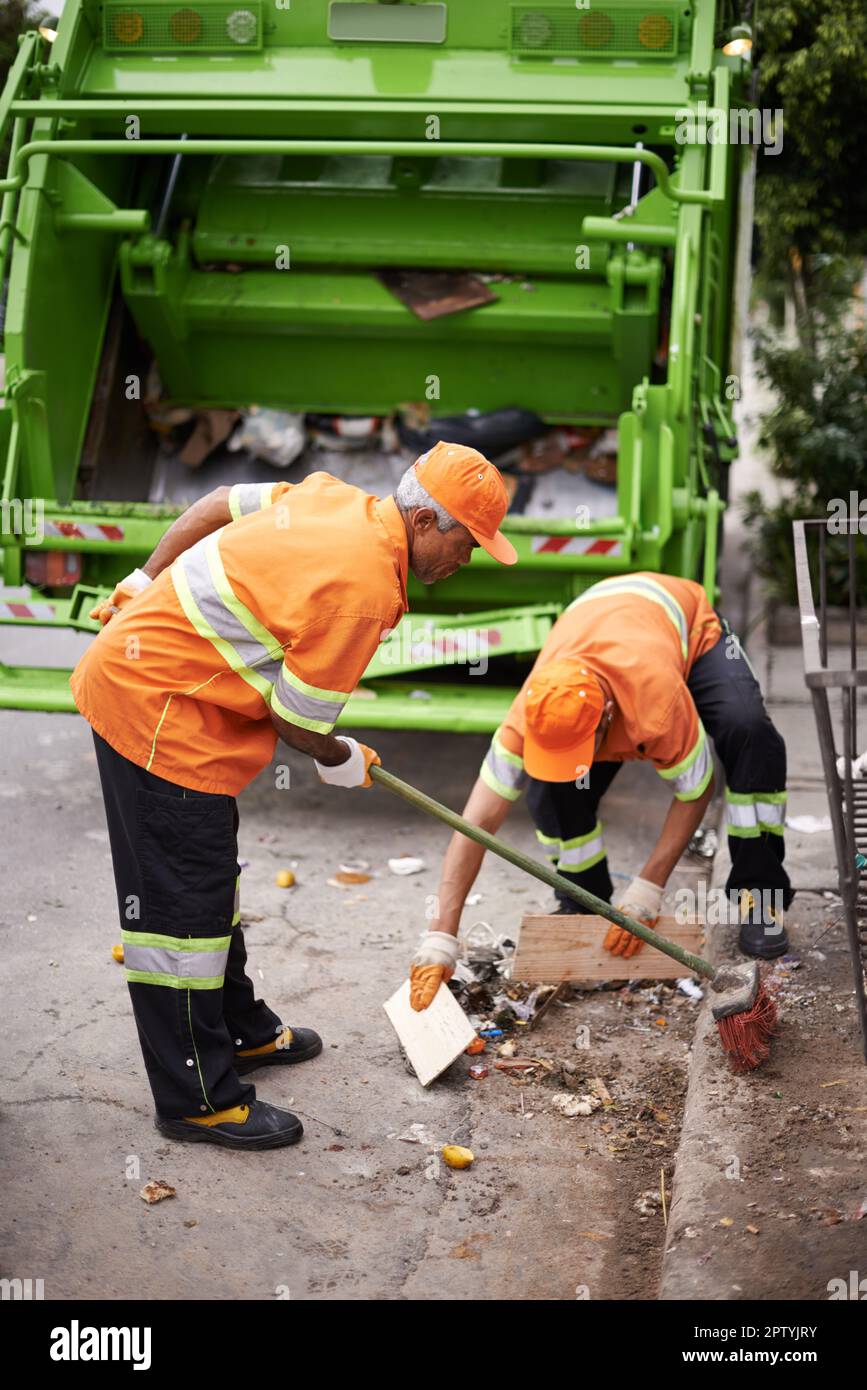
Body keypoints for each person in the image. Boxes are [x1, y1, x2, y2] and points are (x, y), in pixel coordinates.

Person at [71, 443, 517, 1147]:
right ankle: (197, 1099)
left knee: (208, 883)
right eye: (467, 542)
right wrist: (341, 759)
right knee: (180, 915)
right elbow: (296, 720)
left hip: (165, 697)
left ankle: (243, 1031)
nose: (467, 559)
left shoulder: (332, 495)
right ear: (427, 520)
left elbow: (216, 501)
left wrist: (141, 578)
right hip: (156, 714)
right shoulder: (366, 589)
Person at [408, 571, 792, 1012]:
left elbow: (695, 790)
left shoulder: (657, 705)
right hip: (597, 621)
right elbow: (474, 824)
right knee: (549, 792)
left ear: (607, 719)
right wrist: (441, 935)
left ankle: (759, 898)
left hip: (688, 626)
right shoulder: (526, 715)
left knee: (748, 730)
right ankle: (585, 905)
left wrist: (647, 891)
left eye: (577, 750)